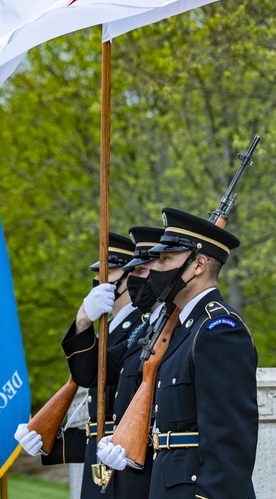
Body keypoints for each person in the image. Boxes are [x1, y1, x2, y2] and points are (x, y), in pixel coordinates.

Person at [96, 208, 257, 499]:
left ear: (198, 265)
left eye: (166, 259)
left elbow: (229, 440)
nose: (155, 268)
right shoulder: (182, 329)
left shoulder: (218, 329)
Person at [14, 232, 142, 498]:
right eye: (98, 273)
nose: (98, 280)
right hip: (99, 460)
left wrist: (84, 319)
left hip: (126, 463)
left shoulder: (142, 325)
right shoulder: (106, 333)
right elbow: (96, 424)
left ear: (130, 277)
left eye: (109, 272)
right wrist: (48, 443)